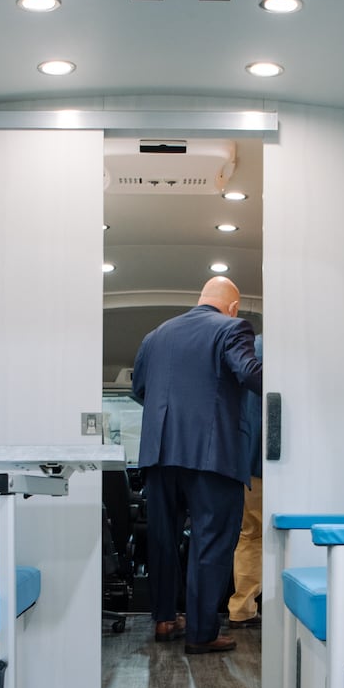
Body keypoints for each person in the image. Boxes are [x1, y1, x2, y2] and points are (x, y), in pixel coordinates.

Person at [131, 276, 262, 654]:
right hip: (212, 453)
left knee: (161, 540)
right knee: (212, 540)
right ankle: (202, 633)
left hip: (158, 454)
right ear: (233, 307)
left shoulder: (155, 336)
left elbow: (140, 389)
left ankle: (164, 619)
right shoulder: (233, 328)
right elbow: (250, 373)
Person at [227, 332, 264, 629]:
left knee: (250, 535)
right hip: (282, 460)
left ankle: (242, 609)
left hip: (248, 460)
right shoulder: (288, 350)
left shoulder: (248, 350)